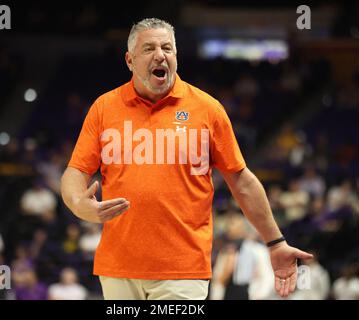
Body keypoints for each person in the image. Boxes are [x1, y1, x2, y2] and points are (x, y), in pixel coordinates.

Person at [61, 18, 313, 300]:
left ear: (176, 57)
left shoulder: (207, 109)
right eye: (149, 49)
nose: (160, 55)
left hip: (183, 269)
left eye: (167, 48)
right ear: (130, 60)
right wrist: (79, 205)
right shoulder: (104, 108)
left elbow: (240, 180)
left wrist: (275, 242)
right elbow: (76, 171)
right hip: (118, 266)